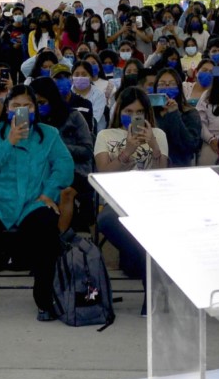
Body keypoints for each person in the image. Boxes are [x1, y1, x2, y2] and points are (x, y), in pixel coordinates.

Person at [0, 86, 74, 323]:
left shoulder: (49, 134)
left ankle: (44, 299)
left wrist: (48, 193)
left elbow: (65, 166)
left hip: (33, 202)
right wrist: (8, 142)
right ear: (7, 108)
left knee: (46, 226)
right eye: (15, 106)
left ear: (36, 109)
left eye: (28, 106)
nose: (22, 110)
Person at [93, 87, 169, 281]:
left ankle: (146, 279)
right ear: (119, 111)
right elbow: (103, 175)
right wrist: (127, 151)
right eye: (129, 111)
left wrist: (154, 147)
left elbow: (163, 175)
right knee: (106, 220)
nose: (134, 116)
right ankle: (150, 275)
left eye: (139, 112)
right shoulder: (105, 135)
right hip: (117, 198)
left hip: (151, 197)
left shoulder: (158, 134)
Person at [30, 77, 93, 233]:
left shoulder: (74, 117)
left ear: (52, 99)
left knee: (65, 192)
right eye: (34, 104)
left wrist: (59, 147)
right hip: (41, 171)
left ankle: (59, 239)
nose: (38, 108)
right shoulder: (31, 122)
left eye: (42, 103)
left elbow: (87, 151)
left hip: (75, 170)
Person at [150, 67, 202, 167]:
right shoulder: (149, 113)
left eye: (172, 84)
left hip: (179, 164)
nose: (167, 87)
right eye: (162, 84)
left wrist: (174, 113)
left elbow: (191, 145)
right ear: (155, 88)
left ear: (179, 87)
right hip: (152, 164)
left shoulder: (190, 113)